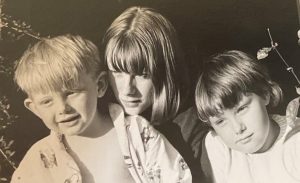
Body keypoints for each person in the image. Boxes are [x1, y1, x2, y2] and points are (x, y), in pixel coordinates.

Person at [11, 34, 191, 183]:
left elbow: (176, 178)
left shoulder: (137, 136)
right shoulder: (38, 161)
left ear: (100, 86)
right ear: (33, 108)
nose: (62, 108)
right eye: (46, 102)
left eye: (71, 93)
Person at [102, 6, 210, 182]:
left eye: (142, 75)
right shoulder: (101, 121)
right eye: (117, 72)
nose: (127, 89)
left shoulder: (190, 128)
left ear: (165, 73)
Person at [195, 50, 300, 183]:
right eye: (221, 121)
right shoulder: (218, 146)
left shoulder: (296, 142)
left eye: (242, 109)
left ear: (265, 94)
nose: (238, 128)